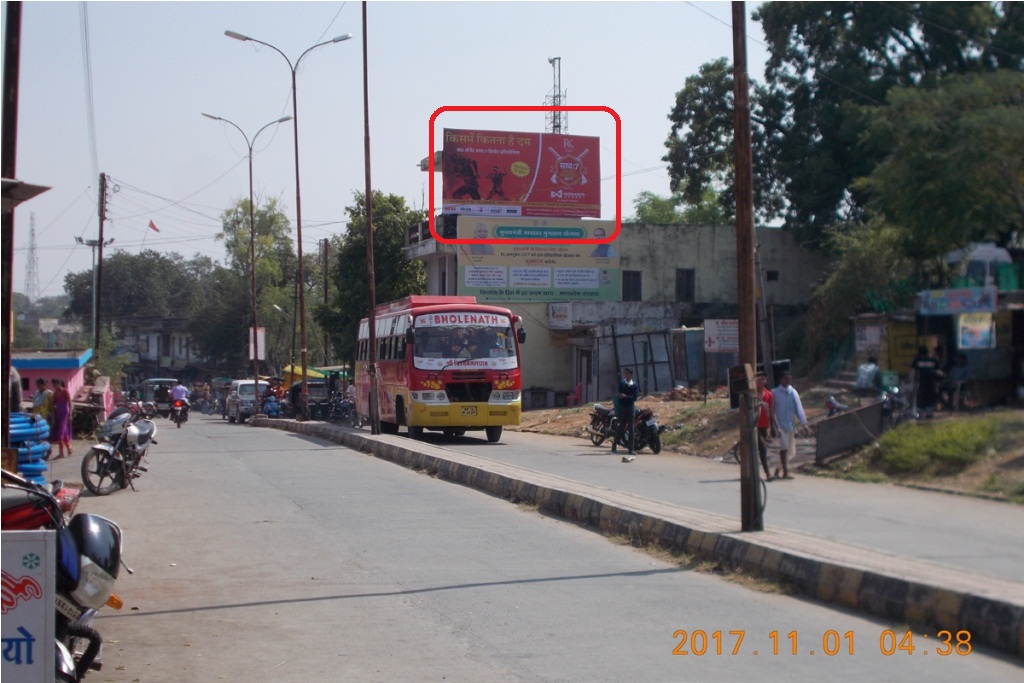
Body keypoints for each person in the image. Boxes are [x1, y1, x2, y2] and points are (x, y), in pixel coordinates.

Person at [770, 371, 807, 480]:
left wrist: (804, 423)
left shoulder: (793, 392)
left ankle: (779, 468)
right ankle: (786, 472)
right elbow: (771, 410)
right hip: (780, 426)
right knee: (784, 447)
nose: (788, 380)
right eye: (786, 378)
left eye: (789, 378)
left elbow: (798, 408)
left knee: (791, 451)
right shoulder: (775, 393)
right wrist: (773, 426)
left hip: (791, 425)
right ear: (781, 380)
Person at [613, 368, 639, 462]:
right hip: (623, 408)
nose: (626, 375)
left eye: (627, 374)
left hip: (631, 408)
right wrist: (625, 397)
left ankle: (631, 449)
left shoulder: (634, 385)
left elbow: (634, 397)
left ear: (631, 375)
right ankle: (614, 446)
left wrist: (626, 397)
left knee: (631, 428)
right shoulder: (622, 384)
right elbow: (620, 395)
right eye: (625, 373)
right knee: (621, 427)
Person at [911, 346, 943, 417]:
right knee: (930, 400)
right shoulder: (934, 360)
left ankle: (923, 415)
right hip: (931, 384)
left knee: (922, 400)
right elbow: (939, 373)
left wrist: (912, 382)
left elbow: (913, 373)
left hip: (922, 384)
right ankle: (929, 414)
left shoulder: (918, 360)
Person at [754, 373, 775, 480]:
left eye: (763, 379)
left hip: (764, 425)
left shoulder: (769, 395)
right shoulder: (753, 394)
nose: (761, 381)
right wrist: (759, 404)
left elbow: (771, 412)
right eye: (759, 379)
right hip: (754, 425)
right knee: (762, 447)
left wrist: (773, 427)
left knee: (762, 448)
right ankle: (768, 473)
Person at [50, 378, 73, 458]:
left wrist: (70, 413)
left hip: (65, 413)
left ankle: (65, 449)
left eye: (56, 384)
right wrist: (53, 417)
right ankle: (63, 451)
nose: (55, 386)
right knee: (62, 432)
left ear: (59, 384)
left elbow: (70, 402)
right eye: (54, 385)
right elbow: (53, 405)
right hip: (58, 413)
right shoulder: (55, 393)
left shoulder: (65, 391)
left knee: (61, 432)